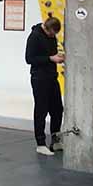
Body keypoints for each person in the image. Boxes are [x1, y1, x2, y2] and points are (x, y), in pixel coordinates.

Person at [25, 16, 64, 156]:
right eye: (52, 33)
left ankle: (55, 139)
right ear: (46, 28)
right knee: (41, 110)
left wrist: (57, 57)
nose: (53, 36)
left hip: (52, 77)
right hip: (39, 78)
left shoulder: (52, 37)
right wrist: (50, 58)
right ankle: (40, 143)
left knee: (57, 109)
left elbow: (51, 54)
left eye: (55, 34)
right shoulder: (34, 37)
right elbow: (29, 59)